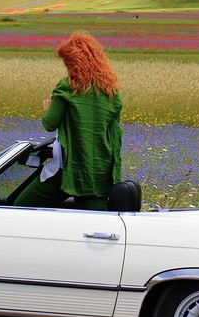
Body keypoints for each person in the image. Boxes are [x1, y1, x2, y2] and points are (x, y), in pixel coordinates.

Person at [14, 31, 123, 211]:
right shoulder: (112, 92)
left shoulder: (67, 87)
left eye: (67, 62)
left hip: (71, 168)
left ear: (74, 63)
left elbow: (50, 124)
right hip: (100, 172)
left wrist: (47, 108)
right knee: (94, 224)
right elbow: (114, 134)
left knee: (21, 208)